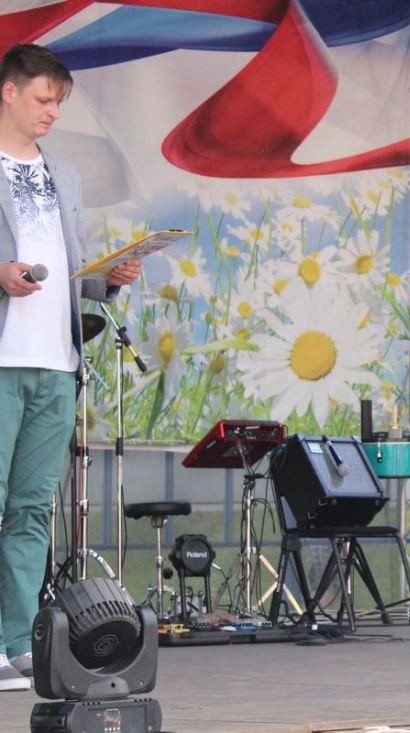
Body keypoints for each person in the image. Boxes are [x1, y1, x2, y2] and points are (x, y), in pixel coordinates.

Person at [0, 43, 142, 691]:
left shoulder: (66, 176)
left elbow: (74, 275)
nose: (52, 112)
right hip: (4, 360)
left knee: (31, 509)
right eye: (43, 99)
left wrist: (108, 279)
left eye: (58, 102)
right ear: (8, 91)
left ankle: (16, 641)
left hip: (56, 363)